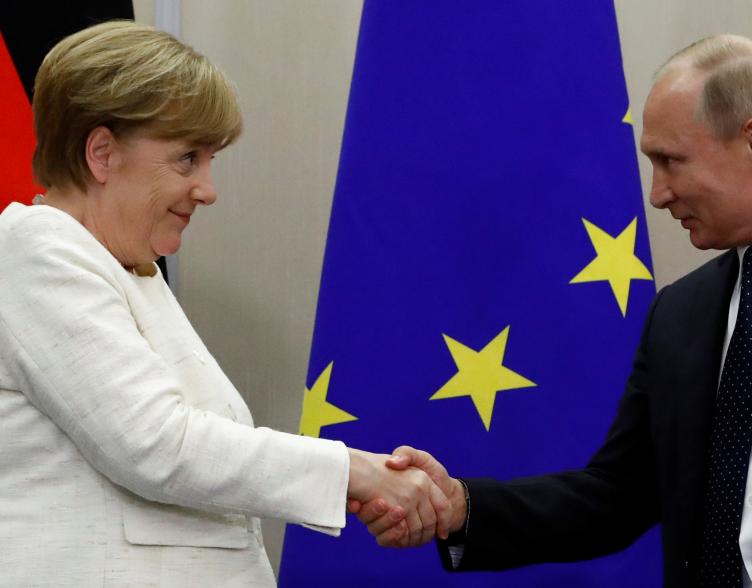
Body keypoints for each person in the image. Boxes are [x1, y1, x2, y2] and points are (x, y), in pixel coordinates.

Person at [352, 34, 752, 587]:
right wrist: (461, 507)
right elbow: (617, 495)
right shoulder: (683, 311)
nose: (657, 194)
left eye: (671, 161)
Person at [0, 20, 451, 587]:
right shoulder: (35, 249)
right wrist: (355, 473)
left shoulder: (127, 269)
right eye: (188, 158)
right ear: (102, 153)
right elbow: (158, 444)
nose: (209, 189)